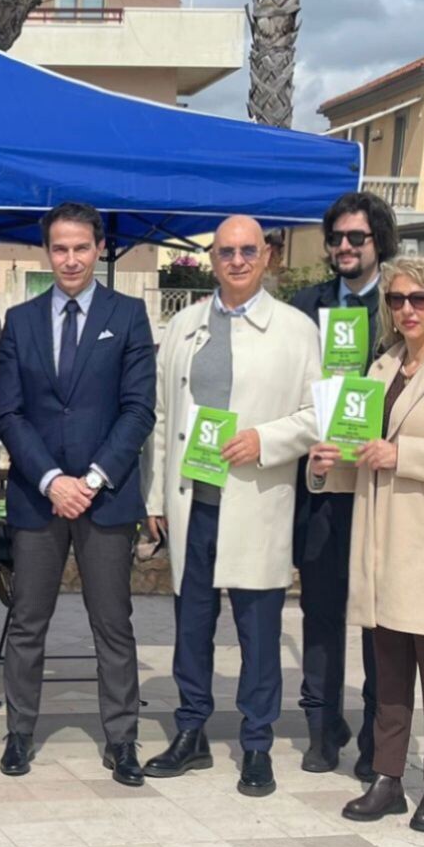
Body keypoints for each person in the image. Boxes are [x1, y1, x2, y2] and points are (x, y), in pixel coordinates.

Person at [308, 255, 424, 834]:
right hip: (380, 544)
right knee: (387, 674)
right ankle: (387, 778)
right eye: (396, 300)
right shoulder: (383, 364)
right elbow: (363, 449)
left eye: (419, 299)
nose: (407, 310)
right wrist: (325, 466)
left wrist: (402, 455)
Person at [142, 215, 320, 798]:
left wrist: (264, 440)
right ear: (212, 259)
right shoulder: (185, 325)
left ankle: (257, 744)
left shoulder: (295, 330)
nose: (237, 261)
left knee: (258, 631)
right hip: (194, 500)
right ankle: (190, 731)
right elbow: (163, 417)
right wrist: (154, 496)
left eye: (248, 251)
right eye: (226, 252)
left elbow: (317, 415)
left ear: (267, 256)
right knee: (191, 626)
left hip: (257, 499)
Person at [0, 202, 155, 785]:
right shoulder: (22, 319)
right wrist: (50, 481)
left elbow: (139, 411)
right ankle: (19, 734)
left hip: (105, 498)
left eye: (80, 247)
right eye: (59, 248)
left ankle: (122, 739)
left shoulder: (129, 315)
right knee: (28, 620)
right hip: (38, 498)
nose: (69, 259)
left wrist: (87, 481)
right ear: (47, 251)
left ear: (99, 248)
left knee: (112, 622)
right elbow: (9, 412)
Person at [287, 191, 398, 780]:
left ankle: (380, 737)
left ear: (379, 241)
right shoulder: (306, 305)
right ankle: (323, 727)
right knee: (321, 614)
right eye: (337, 239)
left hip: (381, 489)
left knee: (378, 619)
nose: (346, 247)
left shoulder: (402, 302)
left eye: (357, 237)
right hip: (323, 485)